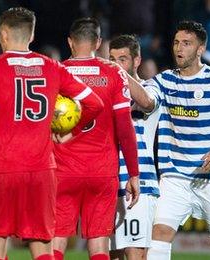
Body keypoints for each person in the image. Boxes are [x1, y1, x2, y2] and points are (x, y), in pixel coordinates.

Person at [0, 8, 105, 260]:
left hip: (3, 169)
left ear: (3, 34)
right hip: (42, 170)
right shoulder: (52, 67)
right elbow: (95, 103)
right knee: (41, 245)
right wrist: (70, 131)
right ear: (31, 35)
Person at [51, 18, 141, 260]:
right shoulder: (114, 73)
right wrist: (133, 173)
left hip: (63, 170)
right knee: (99, 245)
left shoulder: (56, 72)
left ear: (70, 42)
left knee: (56, 241)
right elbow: (125, 127)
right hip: (101, 172)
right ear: (99, 42)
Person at [129, 21, 210, 260]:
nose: (180, 48)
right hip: (175, 177)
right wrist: (121, 74)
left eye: (187, 43)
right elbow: (146, 101)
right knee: (159, 235)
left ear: (200, 49)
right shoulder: (165, 81)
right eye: (177, 42)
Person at [107, 34, 161, 260]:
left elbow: (147, 102)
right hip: (107, 181)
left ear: (137, 61)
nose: (116, 64)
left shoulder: (152, 86)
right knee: (113, 254)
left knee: (135, 254)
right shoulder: (106, 92)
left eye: (122, 59)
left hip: (139, 184)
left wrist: (116, 72)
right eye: (111, 59)